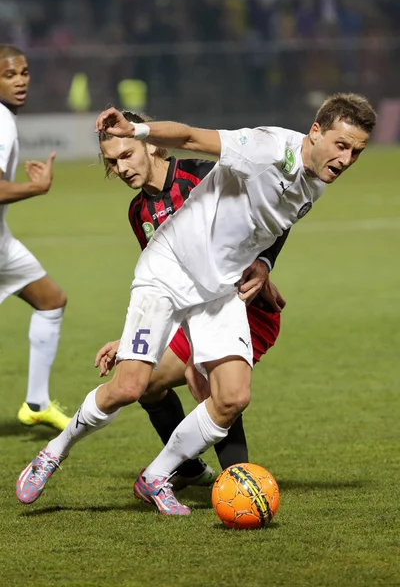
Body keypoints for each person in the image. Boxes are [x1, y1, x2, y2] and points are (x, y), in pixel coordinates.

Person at [16, 93, 377, 516]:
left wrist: (262, 263)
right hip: (169, 269)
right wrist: (138, 130)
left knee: (232, 397)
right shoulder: (264, 149)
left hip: (218, 288)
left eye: (356, 152)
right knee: (131, 386)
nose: (347, 158)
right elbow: (189, 136)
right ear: (315, 132)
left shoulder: (315, 181)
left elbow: (272, 226)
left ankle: (157, 476)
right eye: (341, 145)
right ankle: (53, 453)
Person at [93, 110, 287, 489]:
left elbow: (279, 209)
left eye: (127, 155)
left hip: (244, 305)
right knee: (147, 384)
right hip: (195, 310)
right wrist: (133, 340)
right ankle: (187, 469)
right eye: (112, 162)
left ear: (151, 144)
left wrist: (264, 262)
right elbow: (164, 285)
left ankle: (238, 481)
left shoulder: (203, 175)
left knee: (212, 381)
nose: (121, 168)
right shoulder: (140, 212)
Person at [0, 44, 70, 431]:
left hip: (2, 243)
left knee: (50, 300)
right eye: (9, 75)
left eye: (24, 72)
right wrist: (36, 187)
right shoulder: (0, 120)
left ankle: (37, 402)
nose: (21, 80)